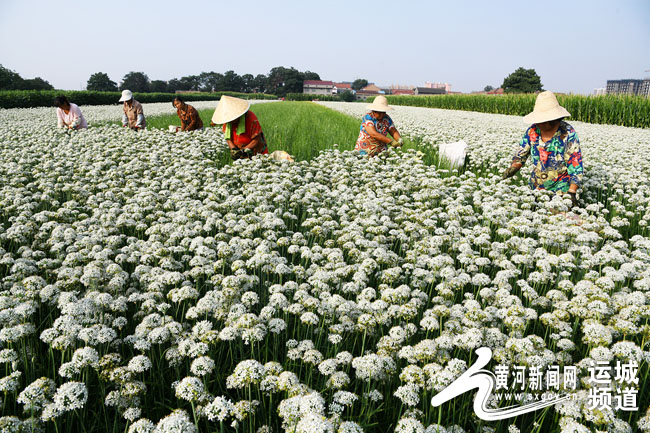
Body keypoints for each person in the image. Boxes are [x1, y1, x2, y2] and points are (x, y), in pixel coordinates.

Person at [502, 91, 583, 208]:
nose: (538, 123)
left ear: (553, 119)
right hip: (536, 189)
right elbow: (521, 153)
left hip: (560, 192)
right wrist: (514, 167)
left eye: (542, 120)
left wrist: (572, 192)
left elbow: (575, 165)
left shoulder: (568, 133)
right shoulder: (533, 131)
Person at [210, 95, 268, 160]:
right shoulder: (227, 120)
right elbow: (228, 138)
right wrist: (234, 149)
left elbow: (257, 140)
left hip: (256, 152)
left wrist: (243, 150)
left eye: (232, 119)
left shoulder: (251, 119)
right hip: (241, 152)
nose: (230, 121)